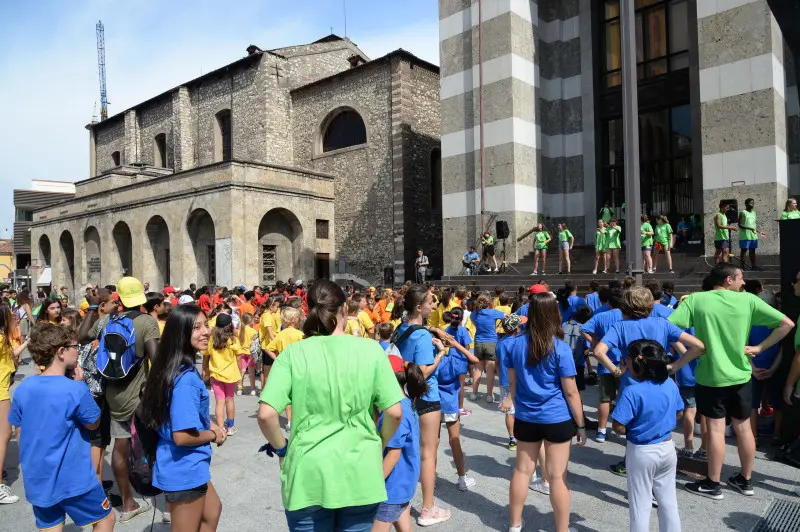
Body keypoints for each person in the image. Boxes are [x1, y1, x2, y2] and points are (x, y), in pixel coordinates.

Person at [257, 279, 404, 532]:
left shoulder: (293, 354)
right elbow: (394, 412)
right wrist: (379, 441)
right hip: (360, 468)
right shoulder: (371, 351)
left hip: (308, 470)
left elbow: (266, 414)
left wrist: (282, 450)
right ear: (344, 309)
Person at [669, 263, 794, 499]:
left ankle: (712, 484)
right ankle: (745, 481)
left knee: (716, 430)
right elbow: (787, 324)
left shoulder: (696, 300)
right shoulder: (748, 300)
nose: (744, 282)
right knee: (744, 428)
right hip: (741, 375)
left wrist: (693, 346)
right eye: (740, 278)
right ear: (728, 280)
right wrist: (760, 347)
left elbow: (669, 326)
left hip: (711, 377)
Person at [9, 322, 115, 530]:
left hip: (38, 477)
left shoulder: (24, 388)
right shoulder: (75, 389)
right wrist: (81, 383)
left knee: (51, 525)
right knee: (105, 519)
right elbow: (93, 424)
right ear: (61, 352)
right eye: (75, 347)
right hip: (73, 479)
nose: (78, 351)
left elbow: (19, 430)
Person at [500, 293, 586, 532]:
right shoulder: (560, 348)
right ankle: (562, 529)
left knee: (522, 470)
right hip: (556, 416)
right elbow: (571, 392)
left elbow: (513, 383)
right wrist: (580, 425)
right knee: (557, 477)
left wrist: (513, 399)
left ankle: (515, 524)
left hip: (526, 416)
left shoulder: (513, 345)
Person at [77, 277, 160, 522]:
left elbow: (82, 336)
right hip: (140, 396)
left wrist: (93, 307)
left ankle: (127, 503)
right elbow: (156, 361)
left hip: (114, 396)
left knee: (120, 449)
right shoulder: (146, 322)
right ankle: (167, 502)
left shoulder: (107, 319)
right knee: (155, 445)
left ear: (119, 298)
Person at [139, 303, 224, 531]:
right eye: (196, 328)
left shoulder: (173, 366)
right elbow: (182, 436)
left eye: (206, 325)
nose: (206, 331)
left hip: (187, 464)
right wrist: (213, 434)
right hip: (184, 466)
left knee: (212, 510)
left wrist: (210, 423)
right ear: (181, 333)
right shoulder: (185, 379)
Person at [393, 284, 451, 526]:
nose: (434, 305)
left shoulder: (401, 329)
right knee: (428, 453)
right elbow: (424, 371)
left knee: (408, 449)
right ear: (419, 306)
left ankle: (402, 500)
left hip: (404, 394)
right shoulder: (422, 335)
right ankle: (428, 507)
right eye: (430, 302)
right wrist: (440, 354)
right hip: (426, 396)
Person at [611, 340, 684, 532]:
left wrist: (635, 428)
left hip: (641, 451)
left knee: (640, 505)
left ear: (636, 363)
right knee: (668, 502)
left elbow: (618, 426)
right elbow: (679, 413)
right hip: (668, 448)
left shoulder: (632, 391)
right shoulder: (670, 384)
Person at [373, 355, 426, 532]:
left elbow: (393, 454)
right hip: (403, 483)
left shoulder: (396, 413)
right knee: (403, 521)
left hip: (391, 488)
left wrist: (374, 484)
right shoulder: (405, 404)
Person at [436, 309, 479, 491]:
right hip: (451, 401)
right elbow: (472, 357)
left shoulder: (437, 358)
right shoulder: (463, 334)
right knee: (455, 439)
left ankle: (431, 477)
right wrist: (458, 347)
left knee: (432, 443)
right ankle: (462, 478)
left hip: (435, 401)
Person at [579, 288, 624, 443]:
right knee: (623, 397)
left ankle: (601, 431)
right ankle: (622, 429)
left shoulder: (601, 315)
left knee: (604, 398)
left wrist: (594, 342)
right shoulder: (627, 316)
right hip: (623, 362)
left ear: (609, 303)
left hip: (605, 361)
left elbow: (583, 328)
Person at [0, 307, 28, 504]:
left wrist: (26, 342)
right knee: (3, 436)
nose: (16, 321)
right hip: (0, 392)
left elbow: (13, 358)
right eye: (13, 318)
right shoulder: (1, 338)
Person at [202, 313, 246, 435]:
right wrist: (240, 373)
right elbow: (238, 358)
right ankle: (231, 426)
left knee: (219, 401)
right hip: (231, 375)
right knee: (229, 399)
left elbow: (206, 356)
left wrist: (204, 370)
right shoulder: (233, 340)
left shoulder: (211, 340)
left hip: (215, 374)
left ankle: (221, 428)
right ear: (229, 325)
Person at [263, 306, 305, 431]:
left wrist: (277, 359)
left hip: (286, 367)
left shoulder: (281, 335)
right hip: (299, 366)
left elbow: (268, 348)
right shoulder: (300, 334)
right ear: (294, 320)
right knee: (299, 393)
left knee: (289, 395)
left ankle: (290, 420)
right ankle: (299, 418)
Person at [497, 314, 527, 450]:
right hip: (519, 379)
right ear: (517, 329)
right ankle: (522, 436)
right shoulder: (520, 342)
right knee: (520, 409)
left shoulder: (500, 343)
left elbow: (497, 362)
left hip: (504, 380)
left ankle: (512, 439)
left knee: (509, 411)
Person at [469, 292, 506, 403]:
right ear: (489, 302)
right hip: (491, 342)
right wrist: (498, 327)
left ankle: (474, 393)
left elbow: (474, 323)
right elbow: (507, 317)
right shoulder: (493, 312)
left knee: (478, 369)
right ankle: (489, 395)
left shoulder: (474, 314)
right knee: (490, 370)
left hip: (479, 342)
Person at [738, 198, 767, 271]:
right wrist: (750, 228)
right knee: (744, 251)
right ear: (746, 204)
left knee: (752, 251)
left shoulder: (754, 213)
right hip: (745, 236)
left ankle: (754, 266)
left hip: (753, 235)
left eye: (753, 203)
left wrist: (759, 231)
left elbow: (753, 225)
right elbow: (740, 225)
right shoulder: (743, 212)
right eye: (750, 203)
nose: (752, 204)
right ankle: (742, 267)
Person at [238, 312, 259, 396]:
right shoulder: (254, 331)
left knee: (241, 372)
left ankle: (240, 388)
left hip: (241, 353)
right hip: (250, 353)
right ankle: (252, 389)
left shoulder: (240, 331)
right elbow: (256, 344)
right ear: (250, 320)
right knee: (251, 373)